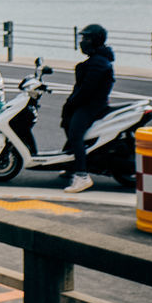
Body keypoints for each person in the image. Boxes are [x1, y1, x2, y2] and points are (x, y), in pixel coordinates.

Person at [61, 23, 115, 193]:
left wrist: (73, 102)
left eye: (86, 38)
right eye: (82, 38)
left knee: (76, 135)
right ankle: (71, 163)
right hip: (90, 104)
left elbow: (87, 90)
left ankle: (82, 175)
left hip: (92, 106)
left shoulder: (98, 63)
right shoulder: (97, 59)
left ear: (96, 40)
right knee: (69, 126)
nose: (83, 42)